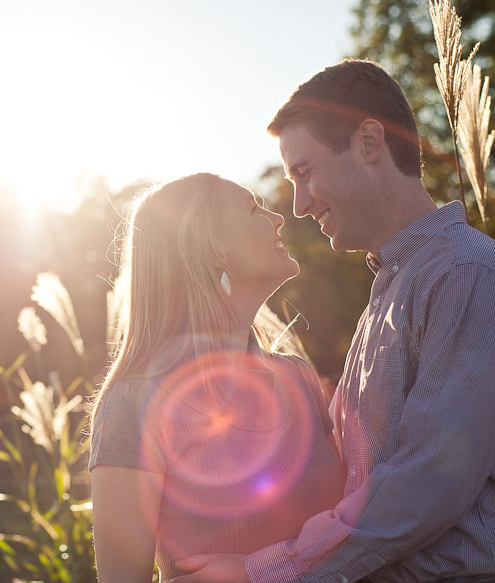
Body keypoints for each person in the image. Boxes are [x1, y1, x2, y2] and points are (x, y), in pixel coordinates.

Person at [167, 59, 495, 583]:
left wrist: (261, 572)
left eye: (305, 173)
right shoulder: (395, 288)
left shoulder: (466, 277)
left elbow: (424, 488)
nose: (299, 204)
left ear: (369, 142)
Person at [89, 173, 346, 582]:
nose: (277, 218)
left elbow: (349, 534)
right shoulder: (135, 402)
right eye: (253, 208)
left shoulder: (299, 379)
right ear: (215, 249)